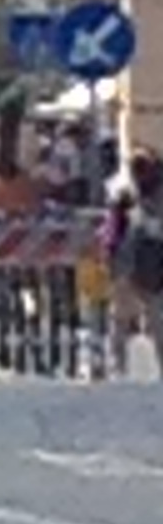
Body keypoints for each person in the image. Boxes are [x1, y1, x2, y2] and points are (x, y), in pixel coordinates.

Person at [106, 150, 163, 375]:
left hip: (154, 269)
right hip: (127, 265)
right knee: (119, 319)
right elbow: (113, 230)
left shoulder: (157, 197)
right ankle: (117, 367)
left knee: (157, 321)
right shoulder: (124, 195)